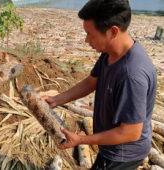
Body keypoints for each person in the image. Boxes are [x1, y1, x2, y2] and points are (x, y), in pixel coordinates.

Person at [43, 0, 157, 169]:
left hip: (123, 153)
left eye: (91, 34)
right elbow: (91, 82)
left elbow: (130, 132)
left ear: (113, 32)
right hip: (111, 145)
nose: (86, 40)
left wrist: (81, 140)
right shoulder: (111, 53)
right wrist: (56, 100)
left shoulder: (131, 75)